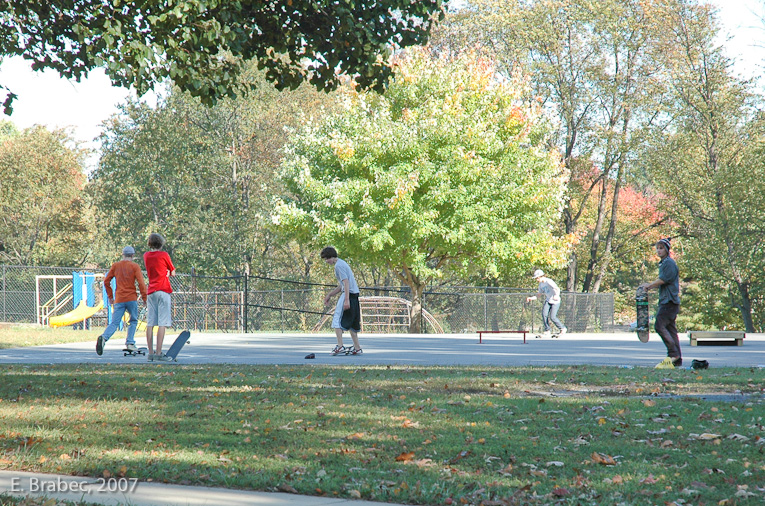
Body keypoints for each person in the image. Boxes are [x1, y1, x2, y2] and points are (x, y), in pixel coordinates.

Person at [96, 246, 147, 356]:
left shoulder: (116, 266)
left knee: (114, 323)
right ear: (132, 255)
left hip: (119, 298)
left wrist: (110, 297)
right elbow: (141, 283)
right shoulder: (135, 266)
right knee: (133, 321)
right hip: (131, 298)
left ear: (123, 255)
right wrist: (144, 298)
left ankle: (104, 338)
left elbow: (106, 281)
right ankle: (130, 342)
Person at [639, 238, 681, 369]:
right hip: (668, 301)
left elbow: (663, 280)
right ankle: (677, 360)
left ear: (667, 250)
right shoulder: (663, 263)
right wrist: (650, 285)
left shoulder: (668, 263)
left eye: (661, 248)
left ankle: (673, 355)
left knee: (659, 326)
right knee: (670, 329)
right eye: (657, 248)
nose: (659, 250)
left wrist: (649, 286)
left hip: (669, 301)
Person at [321, 246, 362, 355]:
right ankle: (357, 348)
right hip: (354, 295)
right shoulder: (342, 263)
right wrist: (330, 294)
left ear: (331, 257)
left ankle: (340, 346)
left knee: (337, 320)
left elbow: (346, 283)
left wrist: (346, 300)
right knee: (352, 323)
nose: (326, 261)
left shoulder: (338, 266)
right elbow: (342, 284)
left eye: (326, 259)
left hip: (348, 295)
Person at [143, 233, 176, 362]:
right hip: (163, 289)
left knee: (150, 322)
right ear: (161, 243)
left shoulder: (146, 255)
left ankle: (150, 352)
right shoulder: (164, 255)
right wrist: (167, 272)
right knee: (162, 322)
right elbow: (172, 272)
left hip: (151, 290)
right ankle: (159, 352)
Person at [526, 269, 567, 338]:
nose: (536, 280)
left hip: (555, 301)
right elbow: (538, 295)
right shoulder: (541, 285)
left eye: (537, 278)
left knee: (553, 317)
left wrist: (556, 295)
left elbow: (557, 289)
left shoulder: (549, 281)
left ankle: (562, 328)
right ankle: (548, 330)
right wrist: (531, 298)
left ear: (540, 276)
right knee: (544, 314)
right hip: (548, 300)